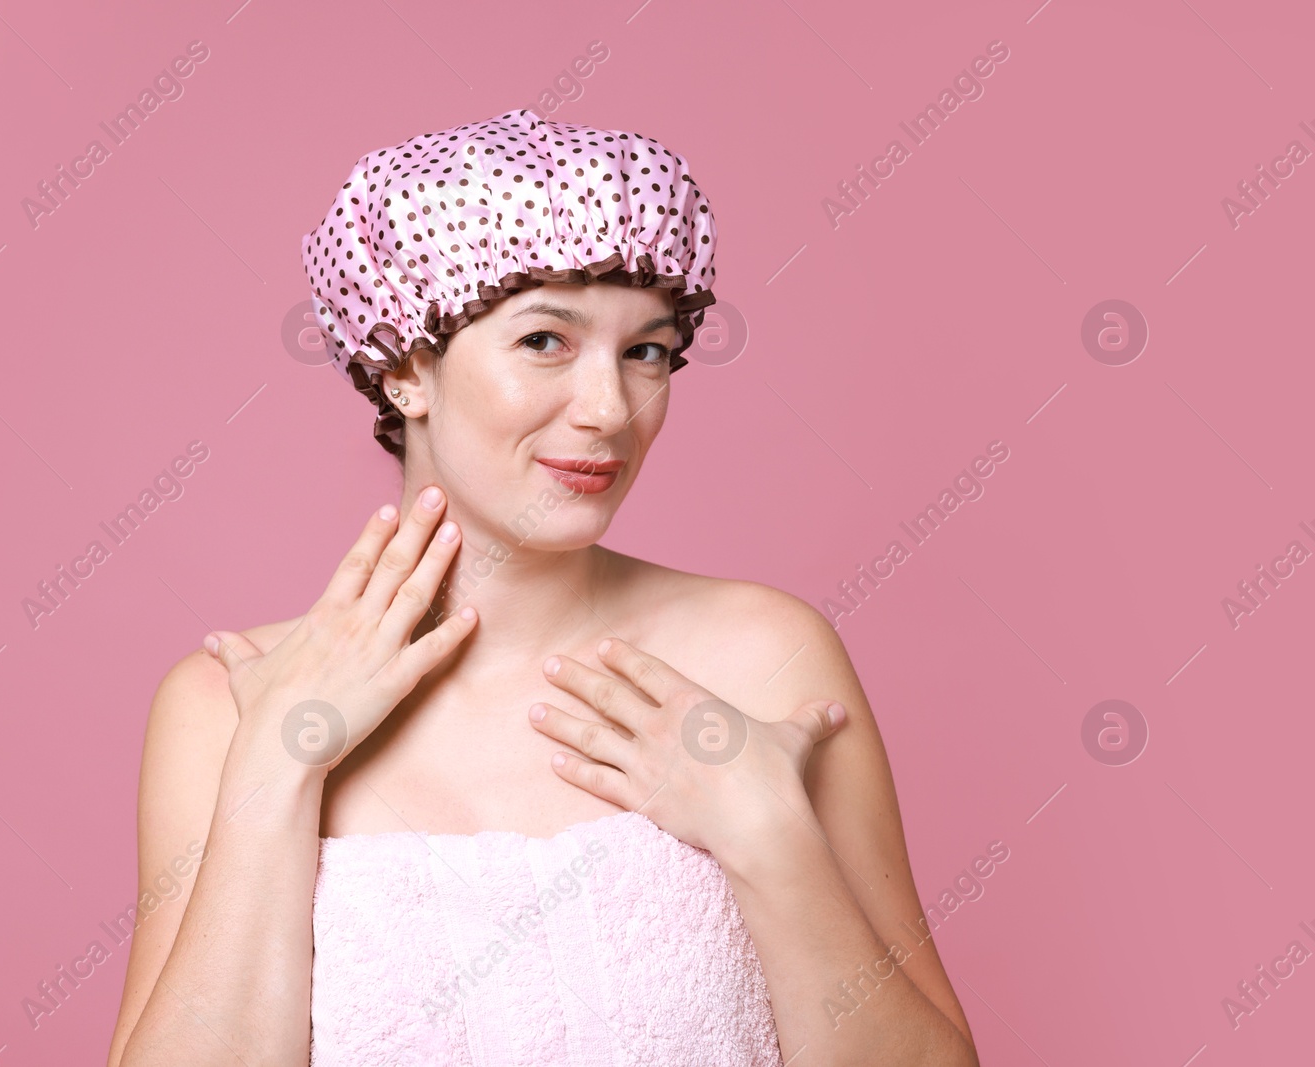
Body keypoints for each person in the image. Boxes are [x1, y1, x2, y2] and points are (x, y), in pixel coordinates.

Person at [107, 108, 979, 1066]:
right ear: (405, 365)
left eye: (646, 350)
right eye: (544, 342)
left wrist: (771, 836)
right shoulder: (229, 704)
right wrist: (273, 775)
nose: (610, 409)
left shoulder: (764, 656)